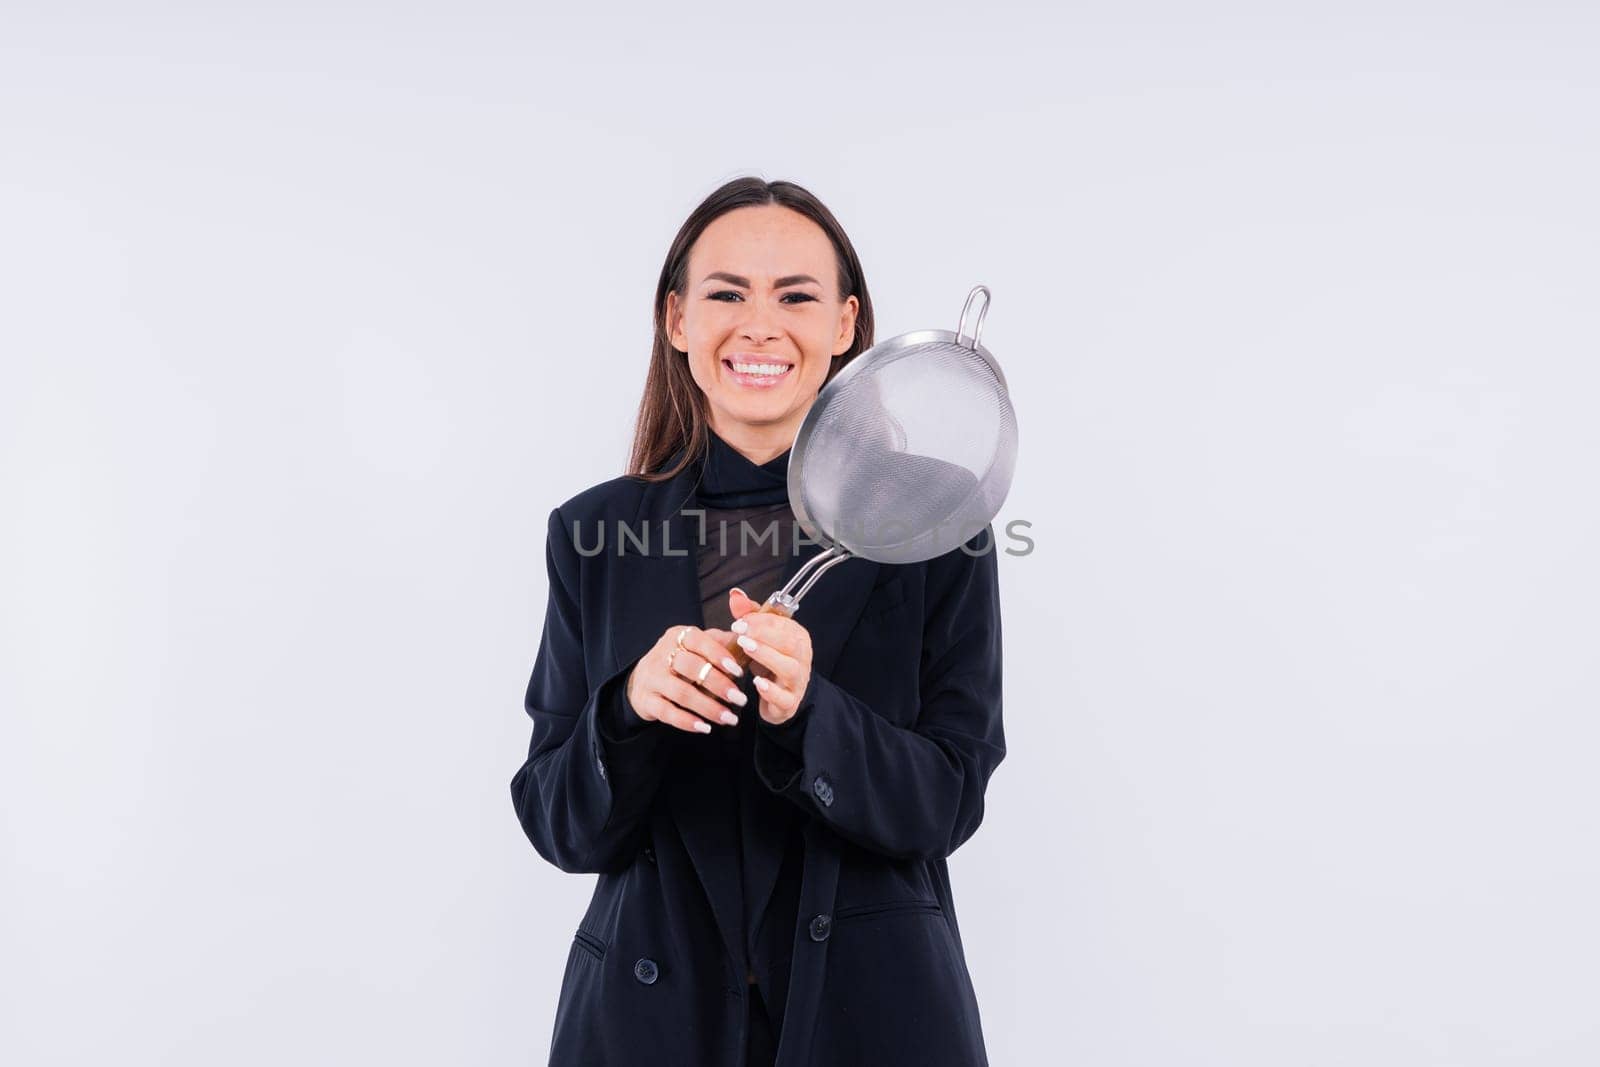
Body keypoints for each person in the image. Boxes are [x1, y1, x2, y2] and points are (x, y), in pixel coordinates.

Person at [510, 176, 1005, 1066]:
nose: (760, 325)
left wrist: (813, 711)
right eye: (726, 293)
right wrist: (626, 709)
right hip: (643, 1030)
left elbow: (950, 798)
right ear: (676, 321)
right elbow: (559, 822)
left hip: (879, 1021)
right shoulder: (590, 534)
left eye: (797, 297)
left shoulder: (934, 522)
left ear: (847, 324)